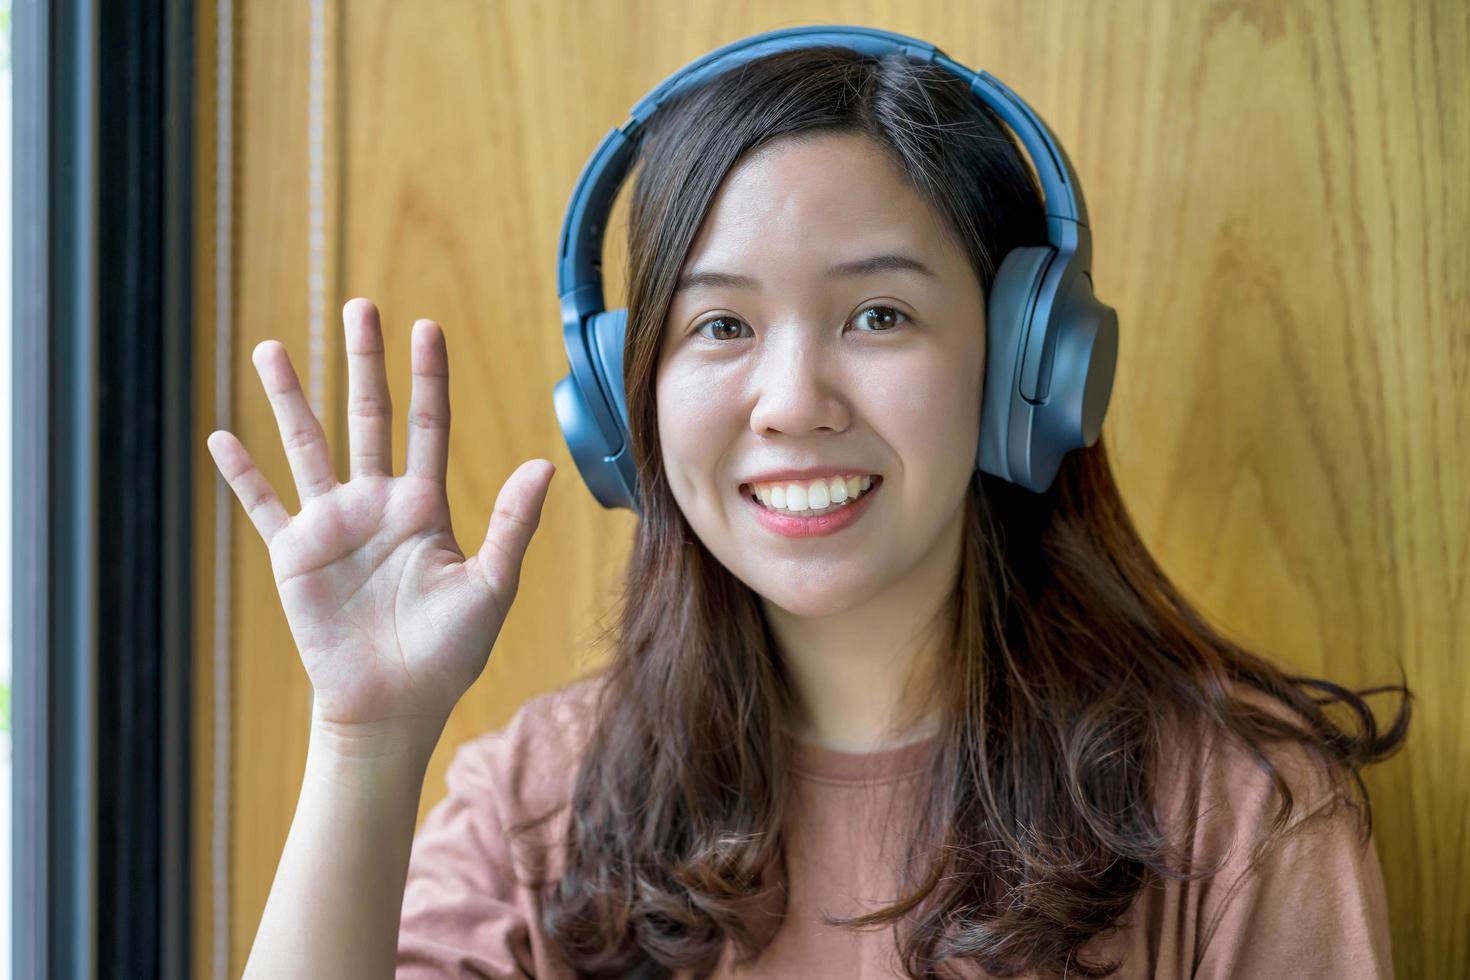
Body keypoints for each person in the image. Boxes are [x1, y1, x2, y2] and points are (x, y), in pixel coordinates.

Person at [208, 45, 1412, 980]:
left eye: (877, 315)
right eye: (720, 325)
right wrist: (364, 745)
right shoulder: (540, 805)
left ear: (1023, 366)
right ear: (627, 409)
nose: (790, 403)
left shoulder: (1239, 809)